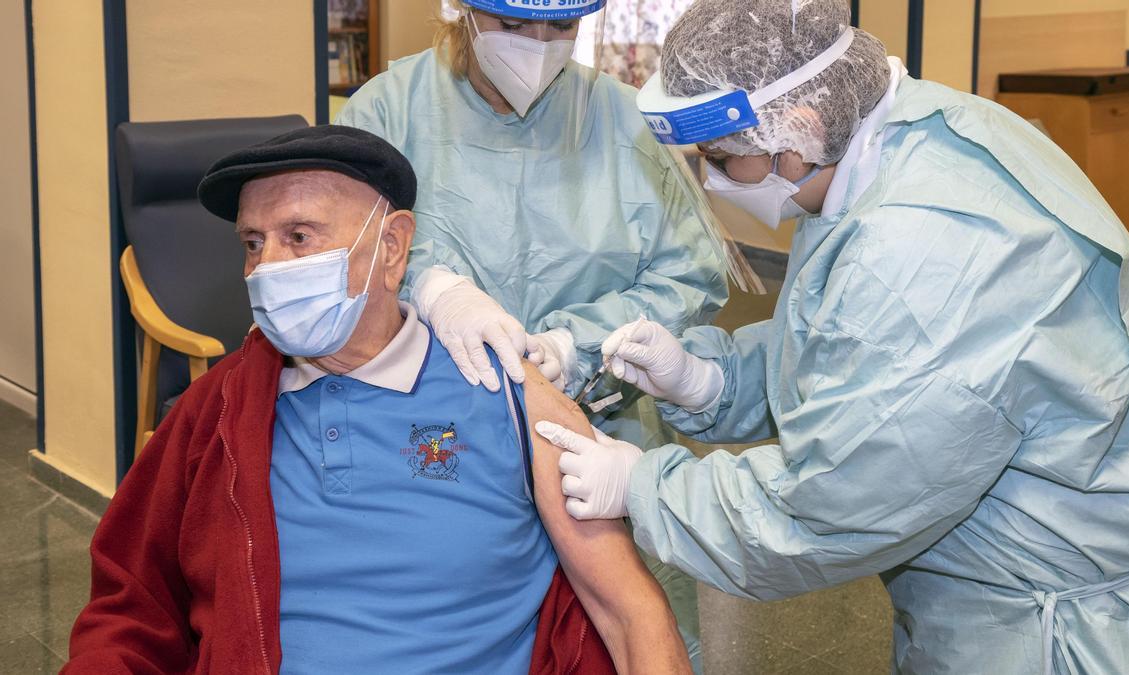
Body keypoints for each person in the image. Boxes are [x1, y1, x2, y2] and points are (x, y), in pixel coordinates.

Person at [536, 1, 1129, 673]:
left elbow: (823, 510)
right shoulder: (918, 135)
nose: (709, 179)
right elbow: (854, 345)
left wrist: (644, 485)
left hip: (1059, 631)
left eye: (719, 158)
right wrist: (711, 378)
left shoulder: (921, 246)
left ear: (798, 134)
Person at [63, 125, 689, 675]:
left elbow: (630, 613)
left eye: (300, 236)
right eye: (253, 243)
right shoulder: (220, 411)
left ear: (392, 246)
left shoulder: (508, 393)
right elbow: (132, 604)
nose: (267, 267)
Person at [334, 0, 730, 666]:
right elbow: (335, 255)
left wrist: (577, 344)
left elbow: (690, 276)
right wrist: (429, 286)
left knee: (623, 632)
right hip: (434, 438)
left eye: (562, 29)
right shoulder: (386, 114)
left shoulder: (623, 122)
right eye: (515, 26)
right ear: (460, 10)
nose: (540, 46)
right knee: (449, 632)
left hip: (599, 430)